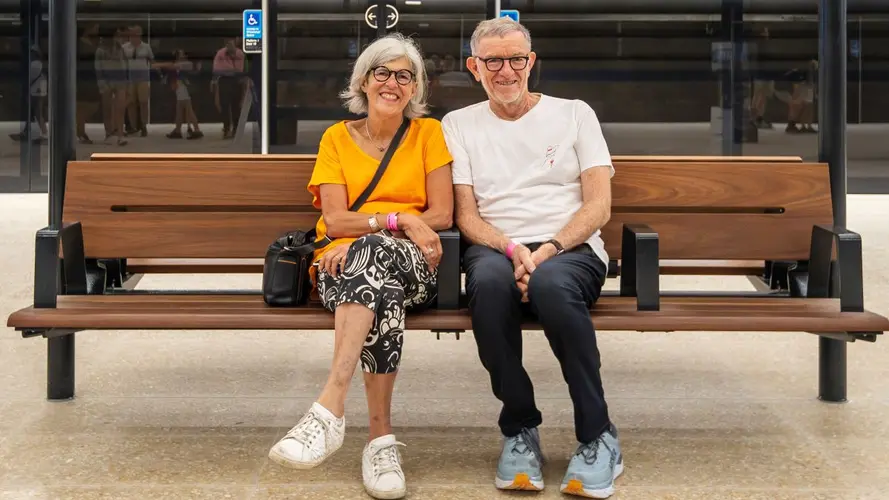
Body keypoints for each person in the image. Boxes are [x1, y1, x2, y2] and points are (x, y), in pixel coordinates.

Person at [267, 33, 454, 500]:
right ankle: (379, 442)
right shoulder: (336, 138)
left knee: (373, 255)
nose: (393, 82)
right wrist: (399, 218)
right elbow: (333, 218)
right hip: (343, 269)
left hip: (412, 266)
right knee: (379, 289)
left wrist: (381, 229)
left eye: (404, 76)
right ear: (364, 81)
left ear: (416, 88)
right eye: (383, 73)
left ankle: (329, 406)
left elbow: (443, 215)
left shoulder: (429, 134)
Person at [441, 18, 622, 498]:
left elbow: (598, 204)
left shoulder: (575, 114)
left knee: (550, 286)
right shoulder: (458, 124)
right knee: (490, 286)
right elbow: (466, 215)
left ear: (531, 61)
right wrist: (514, 249)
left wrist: (546, 250)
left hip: (570, 248)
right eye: (493, 61)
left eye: (516, 59)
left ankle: (599, 434)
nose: (506, 71)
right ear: (474, 67)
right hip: (498, 248)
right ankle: (519, 429)